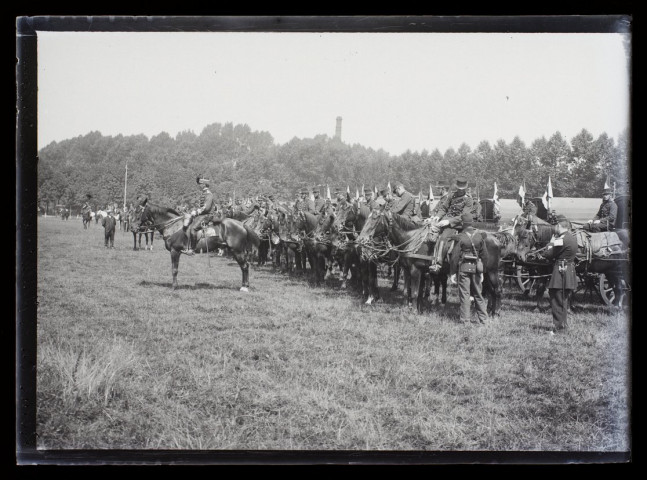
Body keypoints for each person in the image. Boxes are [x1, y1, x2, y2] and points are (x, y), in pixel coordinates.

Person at [539, 214, 578, 334]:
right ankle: (563, 325)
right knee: (563, 300)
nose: (554, 228)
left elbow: (548, 254)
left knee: (556, 298)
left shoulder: (560, 239)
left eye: (555, 226)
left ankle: (559, 328)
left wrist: (550, 243)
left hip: (561, 273)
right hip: (569, 271)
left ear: (559, 226)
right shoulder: (572, 237)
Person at [427, 177, 473, 272]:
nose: (460, 191)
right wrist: (438, 216)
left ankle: (438, 264)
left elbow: (464, 215)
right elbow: (444, 208)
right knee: (429, 231)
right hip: (444, 220)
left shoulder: (468, 200)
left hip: (456, 225)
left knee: (443, 238)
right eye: (459, 189)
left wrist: (449, 221)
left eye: (462, 189)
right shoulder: (451, 195)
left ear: (465, 189)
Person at [455, 213, 488, 324]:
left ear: (463, 224)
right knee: (479, 294)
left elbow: (455, 257)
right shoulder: (480, 236)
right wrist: (483, 271)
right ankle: (484, 320)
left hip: (464, 268)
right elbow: (485, 256)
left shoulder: (460, 237)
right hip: (477, 269)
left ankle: (465, 321)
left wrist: (452, 273)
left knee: (465, 295)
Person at [182, 176, 216, 255]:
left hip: (207, 215)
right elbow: (201, 206)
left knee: (193, 229)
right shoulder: (203, 194)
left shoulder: (209, 194)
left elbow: (206, 208)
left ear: (204, 185)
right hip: (202, 215)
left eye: (200, 184)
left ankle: (192, 249)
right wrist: (194, 211)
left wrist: (197, 212)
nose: (199, 186)